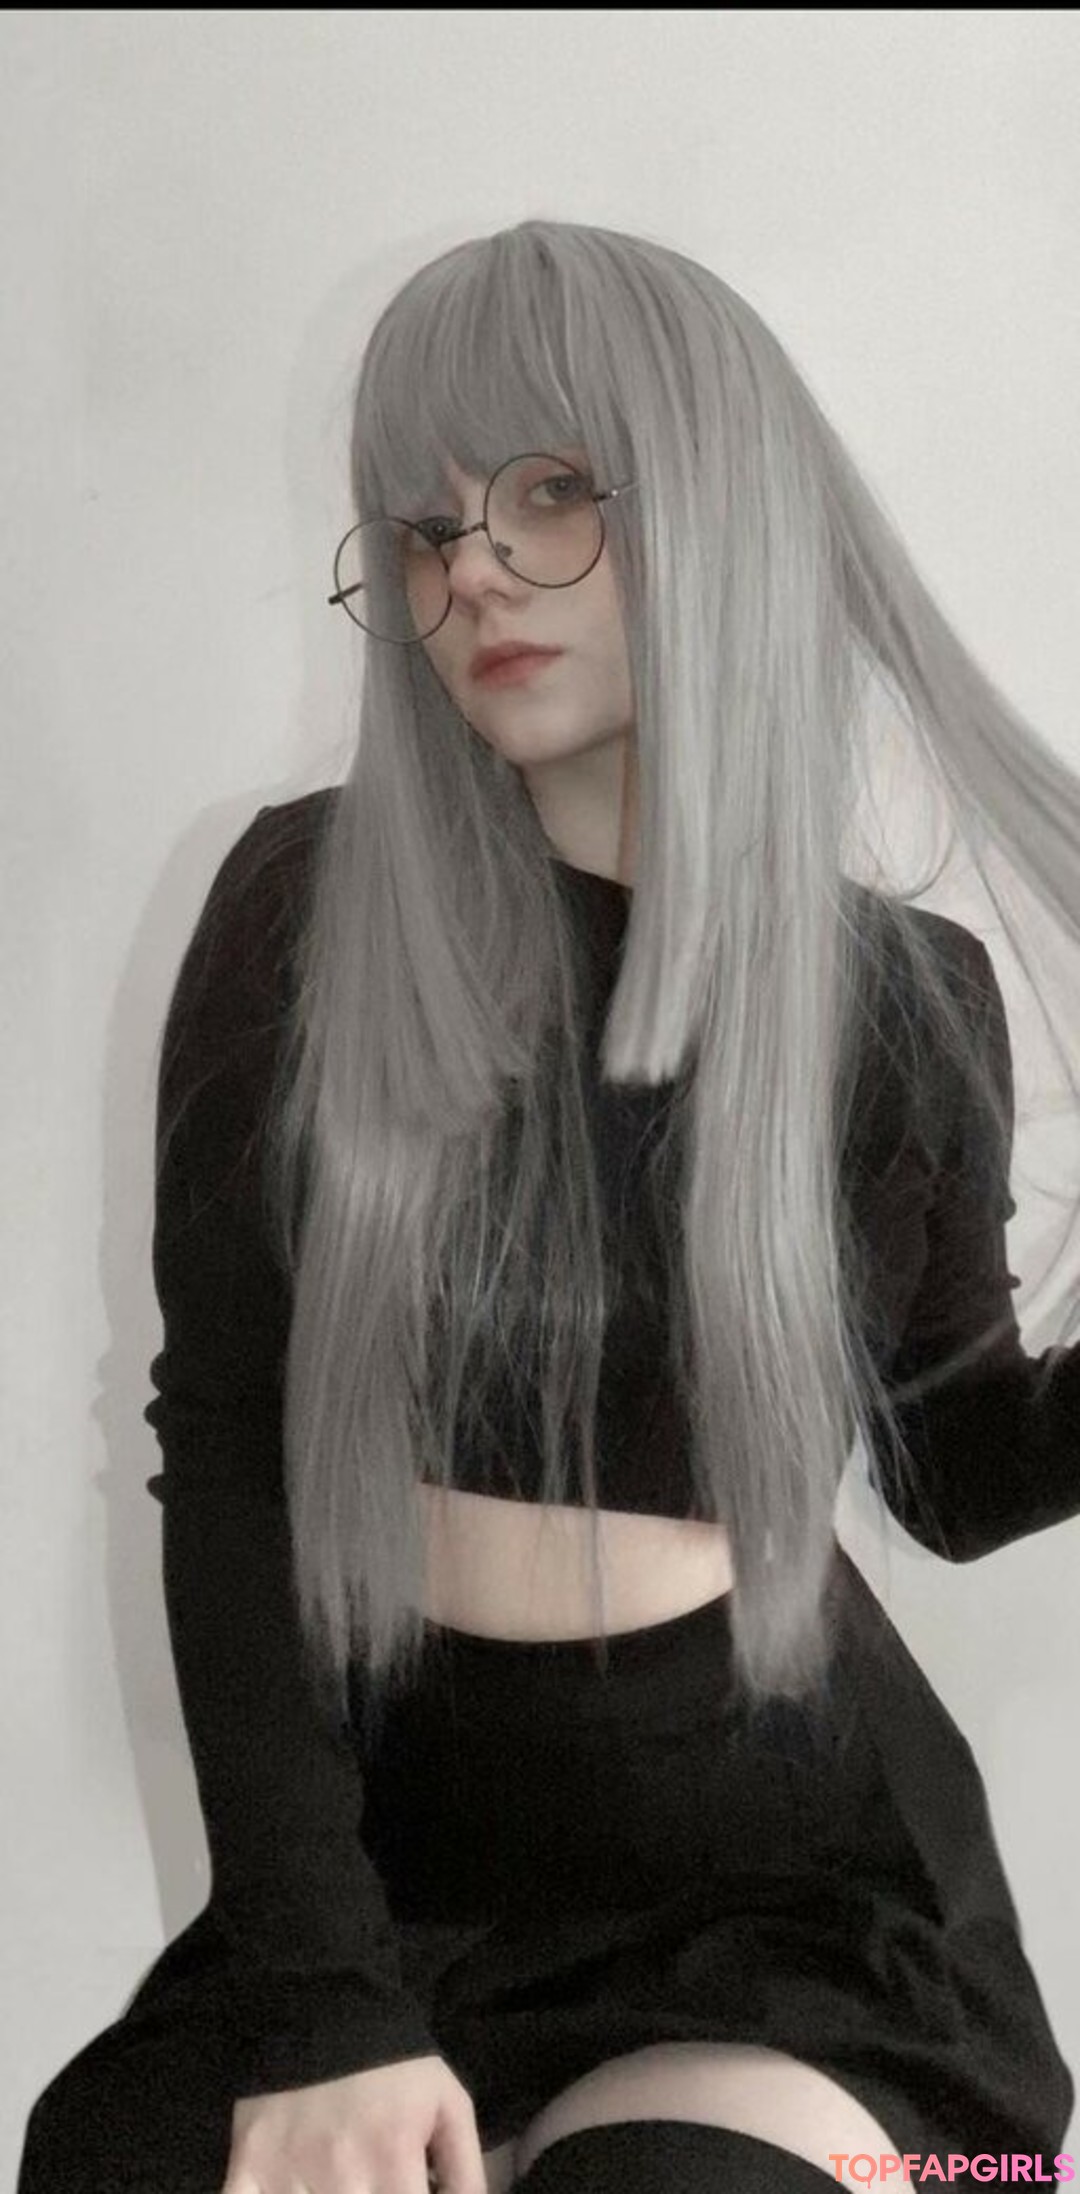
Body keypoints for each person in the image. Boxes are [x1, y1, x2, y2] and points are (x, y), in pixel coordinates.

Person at [18, 217, 1080, 2194]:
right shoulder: (304, 912)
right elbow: (228, 1452)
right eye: (426, 528)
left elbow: (954, 1468)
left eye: (553, 493)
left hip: (781, 1902)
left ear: (719, 505)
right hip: (395, 1865)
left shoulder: (903, 1000)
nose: (476, 569)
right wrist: (324, 1996)